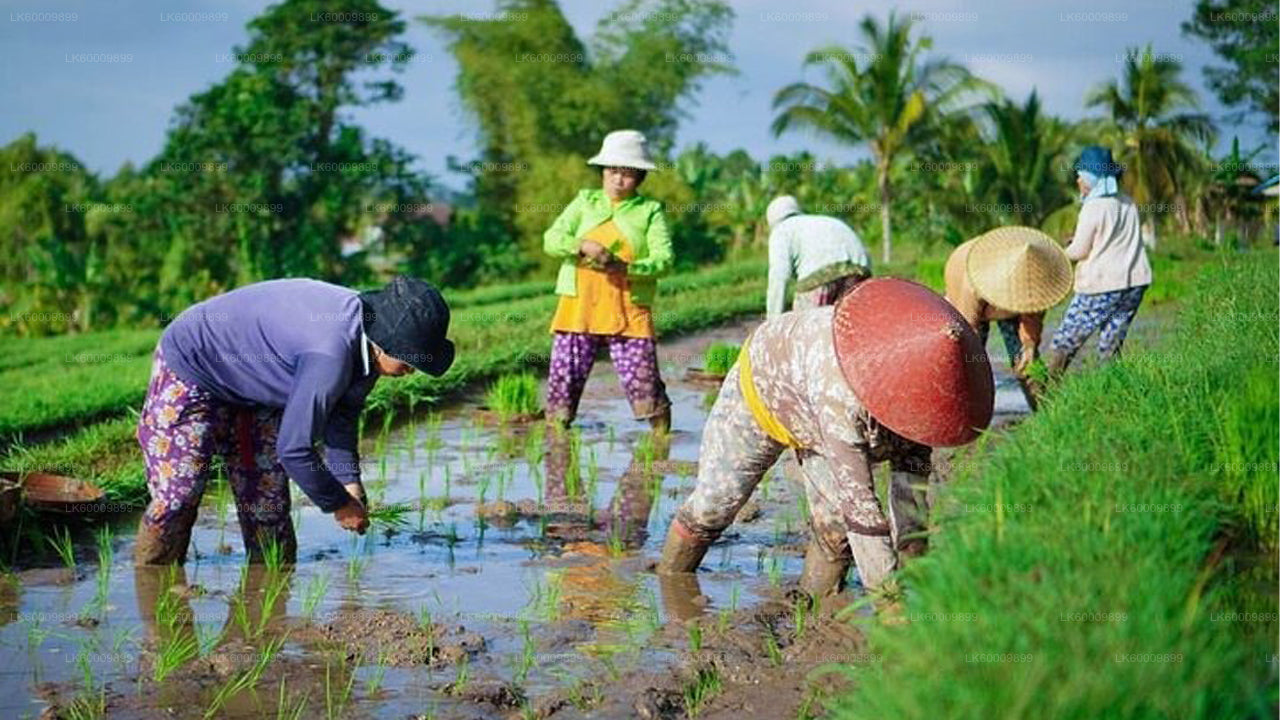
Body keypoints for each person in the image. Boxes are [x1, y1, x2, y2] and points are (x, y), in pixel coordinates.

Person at [657, 279, 994, 597]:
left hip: (814, 404)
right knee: (714, 505)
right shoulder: (843, 398)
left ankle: (816, 608)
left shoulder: (926, 393)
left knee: (834, 531)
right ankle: (670, 581)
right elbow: (861, 508)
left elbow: (912, 500)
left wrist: (917, 568)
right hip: (765, 383)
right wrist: (890, 603)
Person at [133, 276, 455, 566]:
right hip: (196, 365)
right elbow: (295, 449)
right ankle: (153, 582)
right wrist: (338, 504)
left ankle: (269, 599)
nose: (412, 370)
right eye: (410, 360)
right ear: (384, 344)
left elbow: (342, 416)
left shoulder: (367, 349)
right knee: (180, 492)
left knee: (267, 503)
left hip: (258, 384)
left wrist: (349, 482)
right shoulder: (332, 354)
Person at [543, 129, 674, 433]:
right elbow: (552, 239)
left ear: (640, 178)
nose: (618, 180)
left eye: (627, 174)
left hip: (628, 310)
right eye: (613, 171)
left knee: (645, 383)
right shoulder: (584, 202)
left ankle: (661, 441)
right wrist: (582, 246)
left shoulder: (649, 211)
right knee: (563, 387)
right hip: (579, 308)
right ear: (602, 172)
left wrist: (623, 267)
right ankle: (557, 446)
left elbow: (664, 259)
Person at [1048, 146, 1153, 374]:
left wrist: (1058, 252)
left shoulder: (1093, 207)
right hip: (1134, 283)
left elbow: (1079, 251)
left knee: (1065, 341)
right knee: (1110, 345)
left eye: (1081, 175)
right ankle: (1112, 392)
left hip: (1102, 284)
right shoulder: (1127, 202)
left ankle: (1046, 393)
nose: (1077, 180)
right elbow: (1113, 239)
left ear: (1090, 179)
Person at [944, 226, 1073, 410]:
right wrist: (970, 349)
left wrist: (1029, 345)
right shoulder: (972, 281)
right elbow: (968, 325)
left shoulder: (1035, 280)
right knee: (969, 360)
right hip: (974, 304)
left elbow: (1032, 317)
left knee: (1026, 359)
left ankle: (1044, 407)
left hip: (1011, 306)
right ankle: (964, 409)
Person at [764, 195, 872, 318]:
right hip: (860, 270)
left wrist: (772, 319)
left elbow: (779, 277)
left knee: (805, 329)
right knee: (849, 325)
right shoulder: (819, 222)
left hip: (821, 275)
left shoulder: (781, 230)